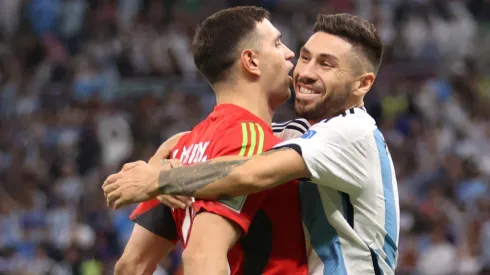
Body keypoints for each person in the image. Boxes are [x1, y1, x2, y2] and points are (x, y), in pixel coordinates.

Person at [104, 13, 399, 275]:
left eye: (326, 64)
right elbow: (199, 256)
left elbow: (248, 172)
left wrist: (159, 178)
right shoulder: (259, 138)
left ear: (363, 84)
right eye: (305, 56)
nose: (297, 64)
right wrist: (160, 160)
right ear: (251, 60)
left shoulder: (352, 131)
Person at [109, 6, 308, 275]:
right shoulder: (249, 137)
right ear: (251, 61)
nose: (289, 52)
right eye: (277, 43)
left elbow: (131, 266)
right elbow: (202, 258)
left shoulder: (181, 148)